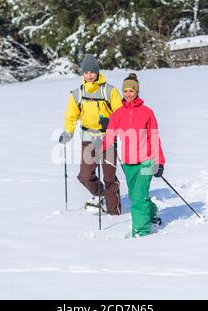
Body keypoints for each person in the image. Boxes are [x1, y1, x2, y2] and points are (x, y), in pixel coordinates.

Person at [101, 73, 165, 237]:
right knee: (135, 195)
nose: (128, 94)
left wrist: (160, 162)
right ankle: (151, 213)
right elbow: (110, 134)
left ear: (137, 91)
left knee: (138, 196)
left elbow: (154, 138)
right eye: (126, 91)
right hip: (127, 163)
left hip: (146, 162)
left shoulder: (147, 113)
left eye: (131, 90)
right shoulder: (118, 114)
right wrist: (102, 149)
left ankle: (141, 231)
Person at [59, 54, 122, 215]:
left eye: (92, 72)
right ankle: (101, 195)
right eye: (86, 72)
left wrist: (110, 123)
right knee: (85, 175)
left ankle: (113, 211)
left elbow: (120, 113)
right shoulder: (77, 94)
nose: (89, 75)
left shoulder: (109, 91)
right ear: (82, 74)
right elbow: (71, 117)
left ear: (97, 72)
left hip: (107, 138)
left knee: (109, 176)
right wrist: (68, 132)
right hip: (88, 138)